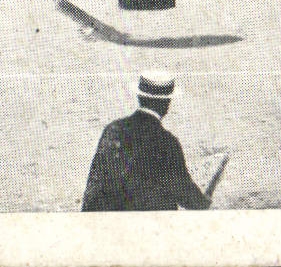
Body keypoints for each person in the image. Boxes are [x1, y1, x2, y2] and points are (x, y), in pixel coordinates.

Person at [82, 74, 211, 212]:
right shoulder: (167, 142)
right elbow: (183, 191)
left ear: (139, 97)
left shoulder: (113, 129)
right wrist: (202, 202)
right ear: (167, 103)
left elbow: (94, 186)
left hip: (111, 220)